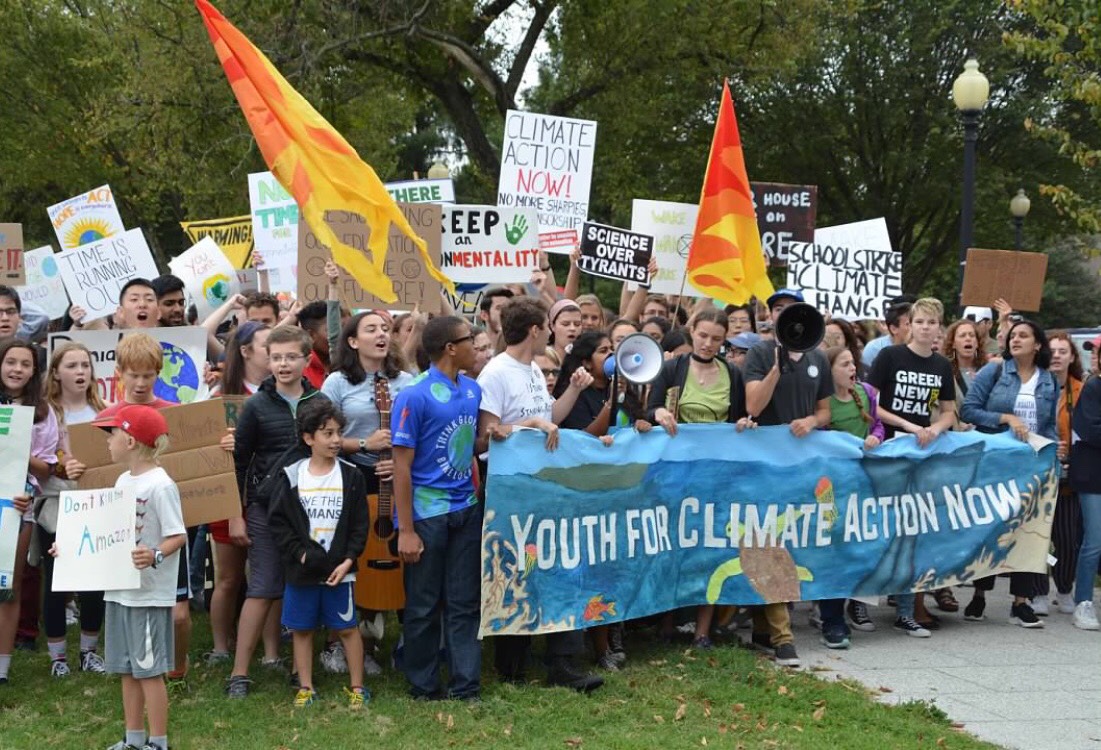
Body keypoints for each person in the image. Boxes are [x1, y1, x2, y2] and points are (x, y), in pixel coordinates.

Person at [476, 297, 602, 692]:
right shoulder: (495, 373)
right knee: (518, 571)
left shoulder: (532, 368)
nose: (552, 330)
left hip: (544, 486)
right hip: (511, 492)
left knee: (556, 565)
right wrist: (526, 424)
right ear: (534, 330)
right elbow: (485, 435)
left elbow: (550, 420)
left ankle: (562, 663)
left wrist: (574, 392)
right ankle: (511, 662)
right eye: (546, 326)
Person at [226, 326, 326, 698]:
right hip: (266, 507)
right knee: (263, 586)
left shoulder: (319, 402)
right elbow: (238, 462)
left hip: (310, 510)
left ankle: (302, 672)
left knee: (300, 584)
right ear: (267, 360)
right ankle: (238, 673)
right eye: (276, 357)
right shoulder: (255, 406)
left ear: (306, 360)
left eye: (291, 357)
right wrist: (236, 513)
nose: (283, 364)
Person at [649, 308, 753, 650]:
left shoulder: (732, 374)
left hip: (715, 474)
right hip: (675, 472)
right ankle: (666, 621)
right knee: (672, 546)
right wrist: (659, 412)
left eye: (717, 339)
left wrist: (743, 425)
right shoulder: (672, 368)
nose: (708, 344)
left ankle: (702, 630)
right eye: (704, 336)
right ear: (692, 331)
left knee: (710, 547)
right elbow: (648, 410)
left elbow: (740, 418)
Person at [392, 315, 484, 701]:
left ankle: (467, 685)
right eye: (469, 341)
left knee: (464, 603)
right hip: (427, 517)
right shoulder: (414, 395)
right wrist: (407, 529)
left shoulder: (473, 390)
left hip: (467, 509)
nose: (476, 348)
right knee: (423, 605)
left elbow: (470, 446)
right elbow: (401, 464)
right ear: (450, 348)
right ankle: (424, 685)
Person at [742, 288, 833, 667]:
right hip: (765, 464)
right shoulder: (760, 353)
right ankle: (782, 636)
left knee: (791, 541)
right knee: (769, 541)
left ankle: (765, 629)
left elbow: (825, 411)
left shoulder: (818, 357)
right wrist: (778, 366)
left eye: (790, 310)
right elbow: (753, 405)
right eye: (777, 309)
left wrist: (811, 421)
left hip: (802, 464)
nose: (784, 315)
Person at [322, 310, 415, 674]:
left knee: (400, 554)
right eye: (371, 329)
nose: (381, 335)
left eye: (385, 329)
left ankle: (408, 643)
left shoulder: (407, 381)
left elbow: (420, 431)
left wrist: (401, 461)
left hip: (398, 476)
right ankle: (341, 644)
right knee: (353, 558)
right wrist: (363, 441)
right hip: (354, 475)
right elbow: (321, 437)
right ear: (352, 340)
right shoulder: (338, 383)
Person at [90, 404, 184, 750]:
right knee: (127, 668)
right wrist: (71, 552)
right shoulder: (122, 480)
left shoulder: (161, 485)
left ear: (130, 441)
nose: (108, 442)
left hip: (147, 595)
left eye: (112, 434)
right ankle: (133, 739)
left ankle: (158, 742)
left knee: (149, 670)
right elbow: (109, 531)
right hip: (120, 590)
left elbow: (178, 534)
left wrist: (155, 553)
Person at [267, 399, 370, 708]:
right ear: (308, 438)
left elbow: (359, 526)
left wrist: (349, 560)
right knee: (302, 629)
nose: (336, 440)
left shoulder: (352, 477)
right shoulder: (292, 476)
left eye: (339, 433)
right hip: (302, 572)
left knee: (348, 629)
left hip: (341, 570)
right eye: (327, 433)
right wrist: (299, 555)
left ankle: (357, 686)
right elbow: (279, 523)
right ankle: (306, 687)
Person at [961, 318, 1059, 629]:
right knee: (992, 528)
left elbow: (1048, 427)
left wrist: (1054, 453)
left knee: (1029, 531)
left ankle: (1021, 602)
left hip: (1031, 465)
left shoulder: (1048, 380)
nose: (1015, 340)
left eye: (1024, 336)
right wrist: (1006, 417)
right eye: (1012, 335)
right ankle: (979, 595)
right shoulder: (995, 370)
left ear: (1037, 344)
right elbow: (969, 410)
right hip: (995, 464)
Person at [866, 297, 956, 636]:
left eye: (932, 323)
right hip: (885, 449)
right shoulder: (889, 356)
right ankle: (860, 606)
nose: (925, 328)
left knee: (911, 532)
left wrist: (935, 428)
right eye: (919, 322)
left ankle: (906, 610)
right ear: (909, 325)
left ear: (938, 328)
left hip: (919, 455)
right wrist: (908, 426)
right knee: (877, 530)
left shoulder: (941, 366)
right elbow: (870, 403)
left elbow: (947, 410)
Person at [37, 342, 109, 678]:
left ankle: (89, 651)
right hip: (57, 504)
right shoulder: (46, 413)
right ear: (56, 373)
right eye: (72, 366)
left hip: (95, 503)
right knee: (56, 581)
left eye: (85, 365)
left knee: (94, 582)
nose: (80, 372)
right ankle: (57, 657)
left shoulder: (103, 411)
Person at [0, 337, 59, 685]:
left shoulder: (42, 411)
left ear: (34, 371)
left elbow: (47, 469)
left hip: (17, 508)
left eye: (25, 364)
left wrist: (15, 446)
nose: (17, 369)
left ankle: (3, 668)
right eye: (11, 362)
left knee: (8, 585)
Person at [818, 347, 884, 647]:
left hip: (861, 486)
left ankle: (844, 609)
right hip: (829, 490)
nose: (852, 368)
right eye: (844, 364)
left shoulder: (866, 392)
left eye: (853, 363)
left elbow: (878, 424)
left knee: (854, 549)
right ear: (829, 370)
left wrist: (877, 437)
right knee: (833, 550)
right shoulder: (823, 402)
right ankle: (832, 620)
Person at [1046, 332, 1085, 616]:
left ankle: (1063, 589)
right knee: (1034, 537)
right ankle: (1034, 593)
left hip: (1070, 476)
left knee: (1068, 537)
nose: (1057, 355)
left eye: (1063, 351)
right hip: (1039, 473)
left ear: (1072, 357)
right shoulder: (1034, 385)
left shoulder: (1082, 391)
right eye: (1053, 351)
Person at [1069, 354, 1101, 630]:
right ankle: (1083, 602)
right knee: (1094, 541)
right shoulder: (1093, 388)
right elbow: (1090, 429)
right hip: (1093, 476)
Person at [861, 299, 912, 369]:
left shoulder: (925, 349)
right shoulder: (873, 348)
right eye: (908, 324)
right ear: (893, 329)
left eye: (917, 322)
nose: (915, 327)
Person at [548, 299, 583, 364]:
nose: (572, 328)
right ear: (552, 326)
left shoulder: (586, 360)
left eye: (577, 324)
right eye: (565, 324)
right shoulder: (541, 358)